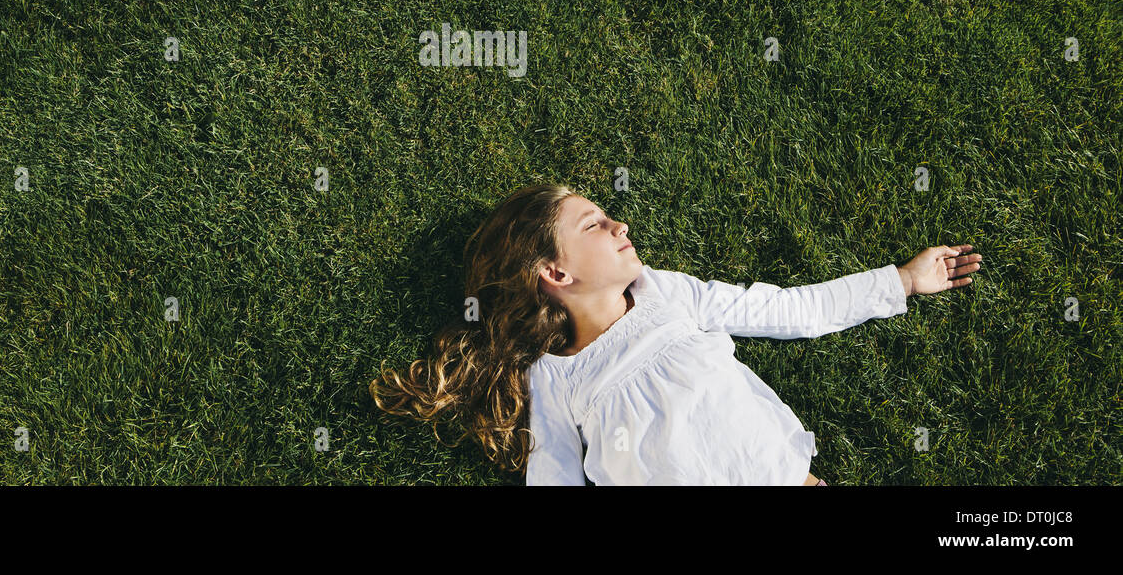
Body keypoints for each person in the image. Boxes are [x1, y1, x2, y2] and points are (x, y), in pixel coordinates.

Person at [371, 183, 982, 484]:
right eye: (595, 224)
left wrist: (900, 281)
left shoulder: (667, 295)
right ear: (556, 273)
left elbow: (786, 311)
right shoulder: (554, 378)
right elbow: (552, 478)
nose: (619, 224)